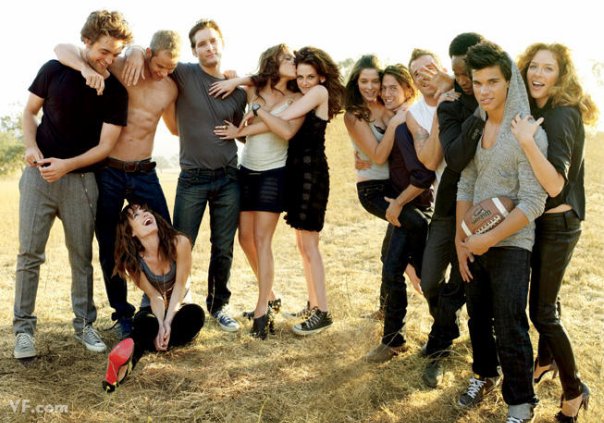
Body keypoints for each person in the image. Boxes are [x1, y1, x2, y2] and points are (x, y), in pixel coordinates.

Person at [13, 10, 132, 360]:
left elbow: (105, 147)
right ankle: (23, 331)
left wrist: (66, 166)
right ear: (87, 41)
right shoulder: (54, 70)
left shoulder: (115, 91)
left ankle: (84, 324)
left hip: (81, 182)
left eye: (115, 54)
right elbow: (29, 113)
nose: (108, 60)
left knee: (82, 257)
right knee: (29, 255)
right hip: (38, 178)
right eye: (104, 51)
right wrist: (31, 147)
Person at [54, 30, 181, 338]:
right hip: (109, 170)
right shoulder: (122, 66)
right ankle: (122, 314)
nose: (163, 73)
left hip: (145, 171)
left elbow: (175, 128)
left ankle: (155, 305)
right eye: (159, 66)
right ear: (148, 53)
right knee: (110, 245)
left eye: (170, 68)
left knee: (165, 236)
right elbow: (61, 48)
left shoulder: (170, 88)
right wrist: (95, 65)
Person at [213, 46, 345, 335]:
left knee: (304, 244)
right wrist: (239, 83)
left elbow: (283, 126)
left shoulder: (310, 95)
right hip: (284, 172)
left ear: (321, 77)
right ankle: (303, 303)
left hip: (301, 173)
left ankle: (315, 310)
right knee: (285, 242)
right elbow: (266, 107)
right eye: (300, 73)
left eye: (309, 75)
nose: (303, 79)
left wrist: (254, 113)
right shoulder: (278, 89)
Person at [127, 19, 247, 332]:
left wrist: (241, 122)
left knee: (223, 246)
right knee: (177, 243)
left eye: (212, 41)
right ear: (193, 51)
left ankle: (219, 305)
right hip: (192, 178)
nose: (208, 47)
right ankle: (166, 300)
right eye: (201, 44)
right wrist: (137, 51)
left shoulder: (238, 93)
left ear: (221, 43)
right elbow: (152, 52)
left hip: (228, 178)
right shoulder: (184, 72)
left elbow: (244, 134)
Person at [455, 41, 547, 423]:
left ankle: (521, 403)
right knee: (477, 317)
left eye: (492, 81)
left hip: (512, 243)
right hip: (474, 238)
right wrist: (462, 241)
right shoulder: (478, 125)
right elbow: (466, 182)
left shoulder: (526, 131)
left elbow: (533, 201)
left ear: (508, 81)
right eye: (478, 83)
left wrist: (489, 239)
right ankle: (483, 375)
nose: (484, 90)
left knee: (509, 322)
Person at [513, 42, 598, 422]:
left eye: (548, 68)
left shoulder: (562, 114)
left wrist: (527, 143)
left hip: (559, 225)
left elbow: (554, 185)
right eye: (534, 66)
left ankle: (574, 391)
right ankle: (545, 360)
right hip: (540, 221)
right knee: (548, 300)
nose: (538, 74)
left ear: (561, 76)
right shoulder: (539, 110)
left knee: (542, 312)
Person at [215, 43, 303, 338]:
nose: (293, 61)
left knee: (263, 241)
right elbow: (248, 84)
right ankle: (272, 296)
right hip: (246, 171)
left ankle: (262, 309)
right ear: (273, 62)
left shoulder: (297, 98)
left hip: (273, 174)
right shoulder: (255, 89)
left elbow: (284, 130)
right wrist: (234, 79)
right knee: (245, 240)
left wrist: (253, 115)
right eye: (287, 58)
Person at [416, 33, 484, 389]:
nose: (463, 80)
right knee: (430, 280)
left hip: (483, 209)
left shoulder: (498, 96)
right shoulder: (450, 104)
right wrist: (475, 107)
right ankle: (448, 325)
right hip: (447, 205)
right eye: (457, 74)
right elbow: (455, 156)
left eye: (467, 73)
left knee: (459, 283)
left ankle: (440, 346)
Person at [344, 56, 420, 319]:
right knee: (414, 225)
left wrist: (403, 112)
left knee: (390, 249)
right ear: (356, 83)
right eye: (363, 81)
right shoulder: (354, 115)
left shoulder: (390, 106)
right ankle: (416, 269)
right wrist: (395, 123)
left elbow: (409, 108)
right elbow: (377, 156)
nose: (370, 87)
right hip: (372, 191)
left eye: (374, 81)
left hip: (396, 187)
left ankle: (385, 309)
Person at [103, 203, 204, 392]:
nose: (145, 214)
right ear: (131, 232)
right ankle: (123, 367)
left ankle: (149, 341)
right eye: (136, 215)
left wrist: (167, 323)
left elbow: (180, 286)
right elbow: (154, 295)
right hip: (153, 308)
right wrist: (160, 322)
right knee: (144, 322)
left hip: (179, 306)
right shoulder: (134, 261)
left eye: (145, 211)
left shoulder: (180, 243)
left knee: (195, 314)